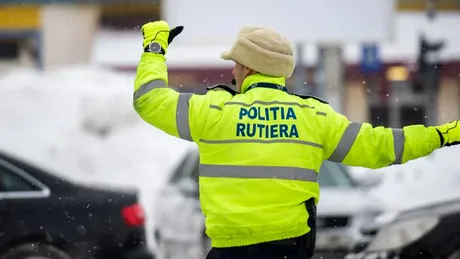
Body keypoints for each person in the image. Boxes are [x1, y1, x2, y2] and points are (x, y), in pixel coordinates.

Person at [133, 20, 460, 259]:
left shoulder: (213, 110)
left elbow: (149, 99)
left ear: (247, 67)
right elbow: (383, 147)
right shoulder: (313, 117)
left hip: (229, 250)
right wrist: (441, 134)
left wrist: (155, 47)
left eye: (235, 63)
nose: (233, 71)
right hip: (290, 250)